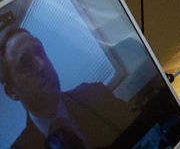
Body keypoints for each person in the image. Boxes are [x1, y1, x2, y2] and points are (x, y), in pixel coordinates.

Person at [0, 26, 138, 148]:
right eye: (25, 63)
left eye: (40, 51)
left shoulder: (95, 94)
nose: (41, 65)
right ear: (11, 91)